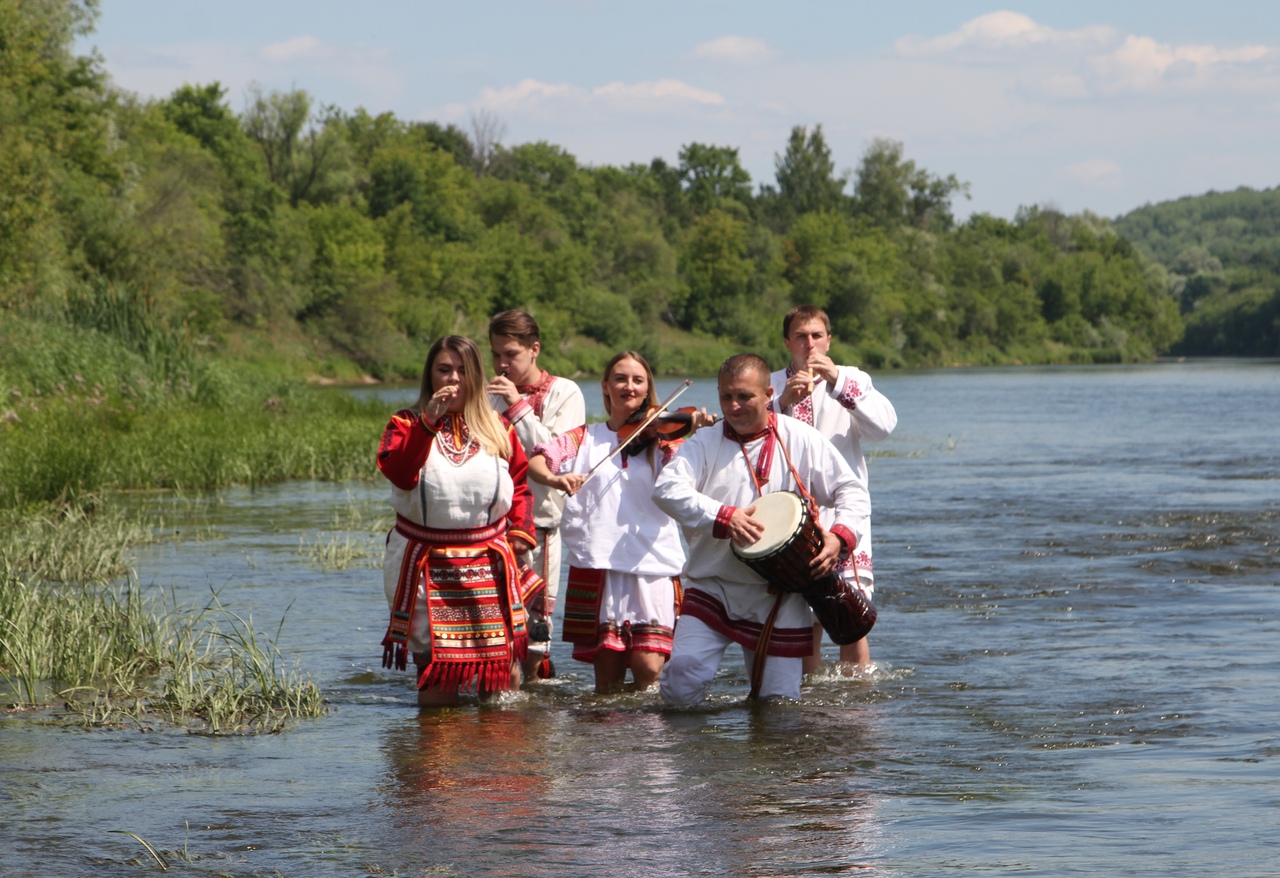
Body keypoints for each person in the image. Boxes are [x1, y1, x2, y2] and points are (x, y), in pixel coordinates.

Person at [652, 353, 870, 704]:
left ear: (769, 393)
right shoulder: (703, 444)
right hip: (713, 587)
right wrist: (726, 517)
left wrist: (838, 536)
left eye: (744, 396)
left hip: (780, 594)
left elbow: (852, 491)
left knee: (779, 702)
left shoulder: (801, 438)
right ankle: (687, 757)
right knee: (681, 681)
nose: (733, 406)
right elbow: (666, 491)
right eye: (726, 397)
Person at [525, 351, 714, 694]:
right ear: (606, 387)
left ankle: (653, 742)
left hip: (652, 565)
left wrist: (689, 432)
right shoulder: (582, 437)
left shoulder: (664, 440)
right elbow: (539, 460)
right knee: (607, 681)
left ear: (647, 390)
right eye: (621, 378)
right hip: (597, 566)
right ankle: (610, 746)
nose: (629, 386)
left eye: (638, 380)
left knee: (649, 667)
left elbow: (681, 480)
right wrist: (557, 481)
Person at [377, 335, 540, 707]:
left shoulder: (498, 428)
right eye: (444, 369)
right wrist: (428, 423)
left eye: (463, 371)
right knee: (438, 681)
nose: (453, 379)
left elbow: (520, 487)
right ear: (430, 376)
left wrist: (519, 535)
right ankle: (435, 763)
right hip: (427, 565)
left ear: (477, 377)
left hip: (489, 563)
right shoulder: (404, 423)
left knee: (503, 680)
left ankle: (499, 762)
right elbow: (400, 473)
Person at [771, 305, 897, 670]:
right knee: (802, 618)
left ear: (828, 340)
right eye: (800, 336)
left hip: (845, 512)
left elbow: (884, 427)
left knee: (849, 614)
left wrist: (839, 382)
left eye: (816, 336)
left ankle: (855, 703)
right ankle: (810, 700)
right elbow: (753, 439)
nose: (809, 344)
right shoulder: (773, 383)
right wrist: (781, 405)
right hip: (792, 519)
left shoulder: (854, 378)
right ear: (787, 342)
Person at [487, 310, 587, 679]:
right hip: (492, 529)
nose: (501, 363)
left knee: (534, 632)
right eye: (496, 354)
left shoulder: (565, 392)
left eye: (510, 354)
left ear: (534, 349)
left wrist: (516, 406)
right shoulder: (490, 394)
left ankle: (531, 713)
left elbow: (555, 453)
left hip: (540, 528)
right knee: (495, 626)